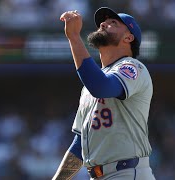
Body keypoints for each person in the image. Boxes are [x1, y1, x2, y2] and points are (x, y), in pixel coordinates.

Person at [52, 7, 156, 180]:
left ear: (128, 37)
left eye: (113, 23)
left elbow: (102, 87)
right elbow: (79, 146)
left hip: (128, 172)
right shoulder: (88, 87)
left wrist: (74, 38)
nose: (103, 23)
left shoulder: (132, 67)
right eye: (103, 21)